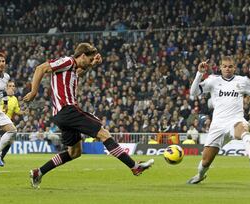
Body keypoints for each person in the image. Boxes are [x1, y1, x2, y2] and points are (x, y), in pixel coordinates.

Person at [23, 43, 154, 188]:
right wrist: (34, 92)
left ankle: (38, 172)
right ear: (83, 56)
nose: (91, 62)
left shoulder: (72, 69)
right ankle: (134, 166)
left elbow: (78, 73)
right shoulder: (68, 61)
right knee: (103, 133)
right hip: (68, 110)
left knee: (74, 152)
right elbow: (40, 68)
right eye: (90, 59)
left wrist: (92, 65)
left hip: (62, 115)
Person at [187, 56, 250, 184]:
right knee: (206, 161)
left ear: (234, 68)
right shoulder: (213, 81)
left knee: (243, 130)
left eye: (230, 66)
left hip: (235, 120)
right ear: (220, 67)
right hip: (217, 125)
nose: (227, 69)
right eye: (225, 66)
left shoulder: (242, 81)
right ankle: (200, 175)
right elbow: (193, 92)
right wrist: (199, 74)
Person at [0, 81, 28, 162]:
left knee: (9, 141)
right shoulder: (2, 96)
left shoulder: (15, 99)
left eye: (13, 86)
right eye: (10, 86)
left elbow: (17, 110)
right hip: (0, 119)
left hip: (8, 121)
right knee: (8, 139)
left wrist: (23, 112)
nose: (12, 87)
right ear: (7, 87)